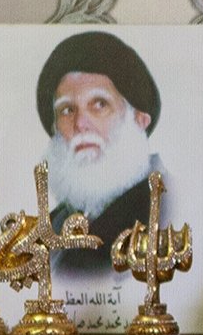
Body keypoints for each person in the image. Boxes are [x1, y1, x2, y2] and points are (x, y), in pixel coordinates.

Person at [34, 29, 168, 275]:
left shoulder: (165, 211)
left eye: (99, 104)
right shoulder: (53, 226)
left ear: (139, 119)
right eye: (66, 110)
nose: (80, 124)